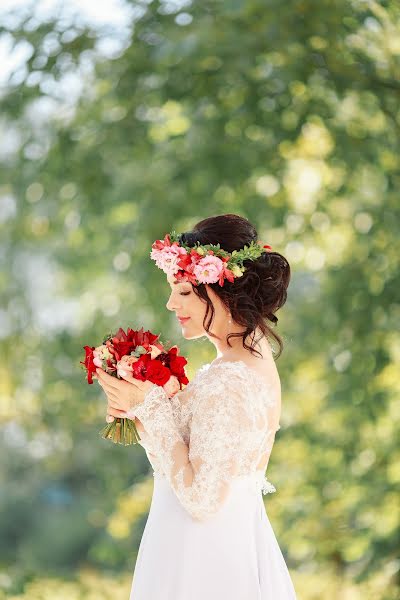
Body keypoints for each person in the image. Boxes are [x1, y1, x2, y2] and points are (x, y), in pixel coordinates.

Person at [96, 213, 297, 599]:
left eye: (184, 291)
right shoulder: (240, 365)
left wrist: (151, 406)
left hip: (203, 560)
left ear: (224, 290)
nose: (172, 303)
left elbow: (203, 499)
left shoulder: (230, 379)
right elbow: (184, 464)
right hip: (204, 545)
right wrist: (139, 411)